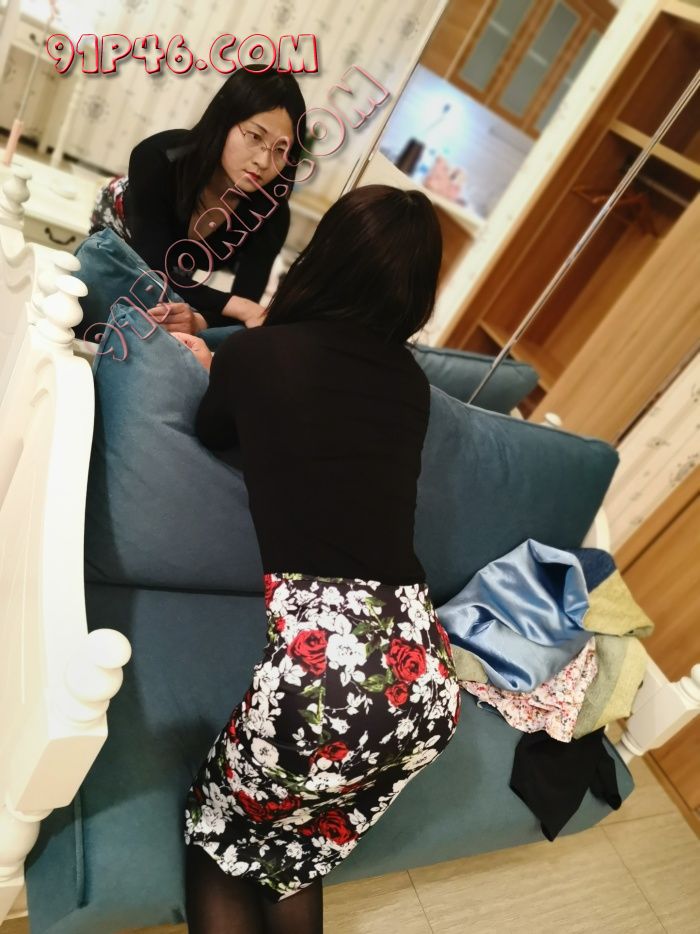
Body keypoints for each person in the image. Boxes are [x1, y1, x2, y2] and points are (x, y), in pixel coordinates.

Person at [175, 184, 463, 934]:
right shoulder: (410, 385)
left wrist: (213, 362)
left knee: (222, 841)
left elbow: (213, 431)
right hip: (426, 684)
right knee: (292, 851)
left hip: (324, 679)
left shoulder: (261, 354)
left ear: (325, 256)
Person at [88, 66, 307, 334]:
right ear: (225, 121)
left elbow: (246, 304)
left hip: (173, 275)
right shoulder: (158, 157)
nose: (263, 161)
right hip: (116, 242)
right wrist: (238, 306)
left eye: (281, 149)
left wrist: (200, 321)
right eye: (255, 136)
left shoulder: (271, 213)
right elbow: (154, 265)